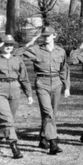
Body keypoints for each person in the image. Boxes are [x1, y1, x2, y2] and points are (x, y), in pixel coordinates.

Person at [17, 26, 70, 155]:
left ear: (54, 35)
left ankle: (42, 138)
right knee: (48, 112)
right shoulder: (35, 50)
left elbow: (64, 69)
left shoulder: (61, 51)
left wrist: (67, 86)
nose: (45, 37)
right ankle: (53, 142)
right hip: (42, 83)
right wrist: (30, 42)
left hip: (57, 83)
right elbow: (17, 53)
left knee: (52, 113)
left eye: (48, 35)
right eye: (43, 35)